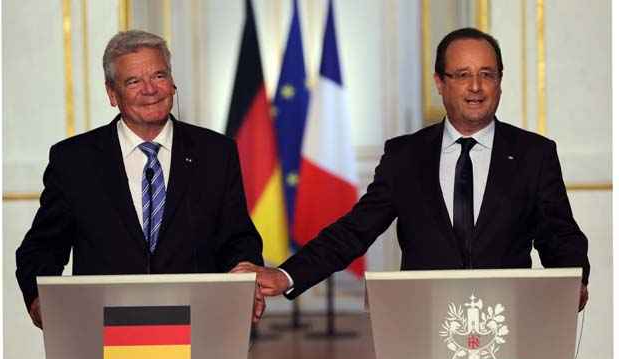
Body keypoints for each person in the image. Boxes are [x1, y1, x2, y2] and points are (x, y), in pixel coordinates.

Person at [232, 27, 589, 312]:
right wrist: (287, 274)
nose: (476, 87)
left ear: (499, 80)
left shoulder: (533, 154)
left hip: (508, 323)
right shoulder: (406, 156)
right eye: (462, 75)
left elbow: (560, 236)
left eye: (487, 74)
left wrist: (574, 281)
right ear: (440, 83)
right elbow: (355, 231)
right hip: (424, 322)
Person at [16, 30, 264, 329]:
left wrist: (245, 271)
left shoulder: (216, 152)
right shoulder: (74, 160)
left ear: (172, 82)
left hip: (198, 325)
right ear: (111, 93)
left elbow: (237, 237)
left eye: (159, 76)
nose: (150, 90)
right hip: (105, 329)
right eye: (133, 81)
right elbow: (41, 248)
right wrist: (40, 301)